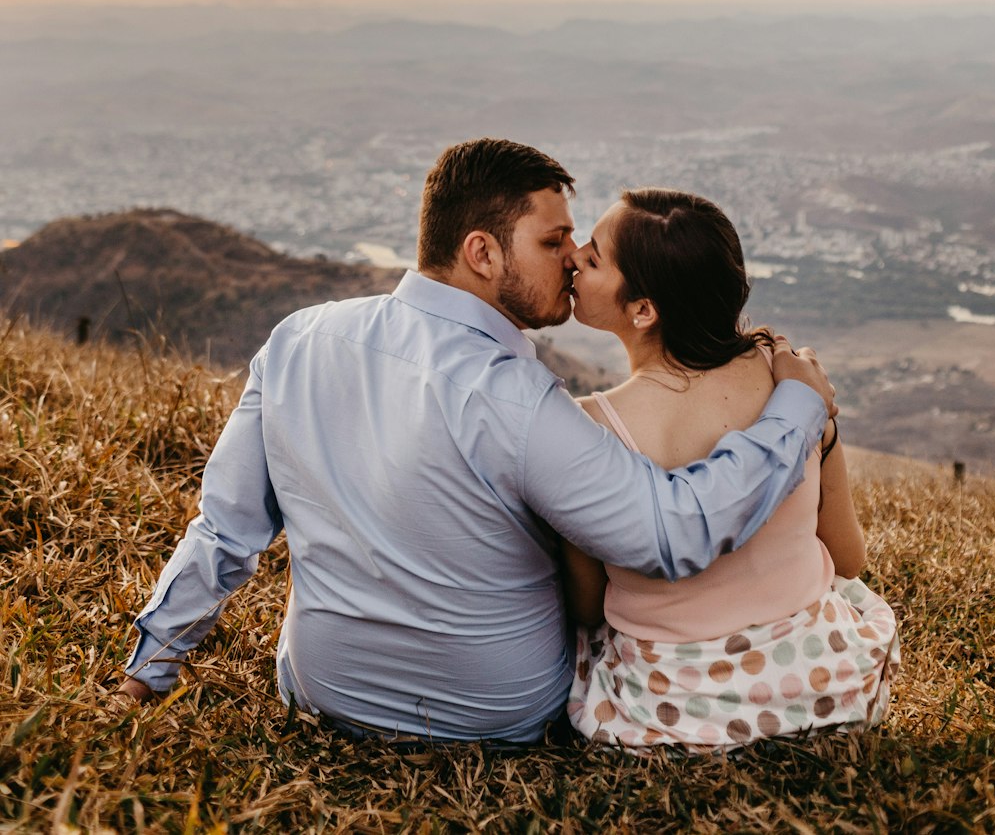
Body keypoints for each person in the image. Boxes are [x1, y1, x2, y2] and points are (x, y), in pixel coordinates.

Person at [120, 139, 836, 744]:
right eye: (553, 242)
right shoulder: (519, 400)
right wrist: (796, 408)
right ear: (483, 253)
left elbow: (224, 532)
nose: (571, 260)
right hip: (497, 717)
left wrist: (148, 666)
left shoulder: (300, 339)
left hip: (327, 694)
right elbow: (672, 531)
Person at [563, 188, 900, 751]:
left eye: (593, 258)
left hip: (667, 709)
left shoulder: (589, 428)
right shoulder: (790, 379)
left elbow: (587, 606)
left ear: (644, 309)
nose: (573, 256)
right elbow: (848, 559)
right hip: (822, 685)